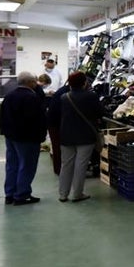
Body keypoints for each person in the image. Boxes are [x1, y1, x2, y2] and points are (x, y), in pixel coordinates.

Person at [48, 71, 102, 203]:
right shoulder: (91, 96)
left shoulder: (64, 97)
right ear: (84, 83)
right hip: (85, 135)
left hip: (66, 135)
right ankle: (77, 194)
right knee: (80, 166)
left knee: (66, 165)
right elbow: (100, 112)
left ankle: (63, 194)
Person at [0, 72, 47, 206]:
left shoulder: (9, 96)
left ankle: (10, 194)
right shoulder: (32, 98)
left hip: (11, 136)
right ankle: (22, 195)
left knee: (12, 165)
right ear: (31, 83)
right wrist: (41, 136)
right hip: (27, 138)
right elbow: (38, 119)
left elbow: (2, 116)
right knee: (27, 166)